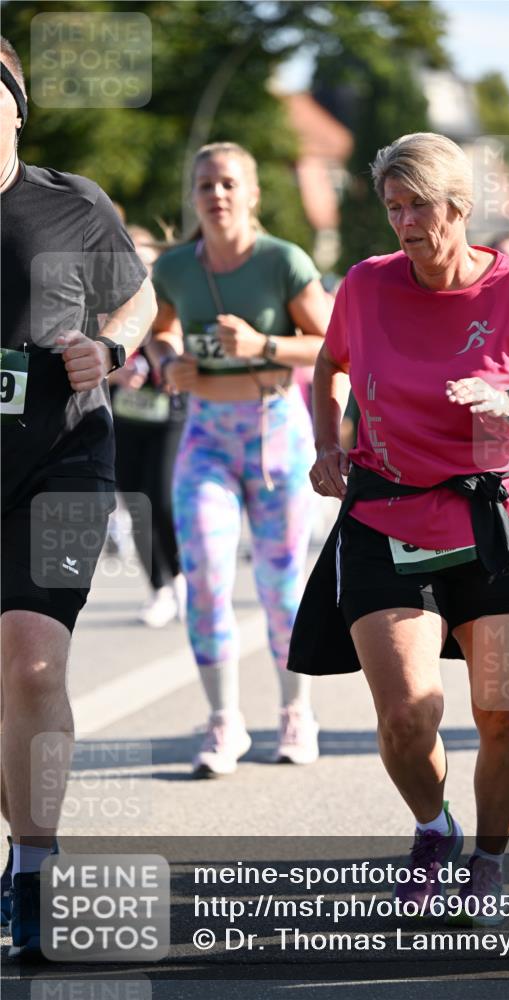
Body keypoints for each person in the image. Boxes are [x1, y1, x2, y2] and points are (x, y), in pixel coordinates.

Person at [289, 132, 509, 924]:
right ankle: (431, 830)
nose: (405, 223)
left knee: (504, 716)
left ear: (458, 206)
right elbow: (328, 363)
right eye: (392, 208)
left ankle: (487, 861)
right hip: (388, 513)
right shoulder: (367, 284)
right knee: (406, 713)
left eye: (418, 206)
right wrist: (325, 445)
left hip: (498, 517)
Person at [0, 37, 156, 957]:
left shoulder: (72, 203)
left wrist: (115, 349)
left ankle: (37, 866)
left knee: (29, 662)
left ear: (18, 104)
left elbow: (136, 299)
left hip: (64, 457)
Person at [149, 142, 332, 777]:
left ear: (252, 194)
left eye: (228, 184)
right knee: (204, 582)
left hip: (275, 434)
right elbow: (160, 326)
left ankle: (295, 713)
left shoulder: (282, 261)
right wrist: (168, 358)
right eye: (205, 186)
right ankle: (224, 723)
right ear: (194, 196)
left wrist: (266, 343)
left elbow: (336, 342)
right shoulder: (174, 267)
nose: (217, 195)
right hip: (204, 438)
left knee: (282, 590)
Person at [110, 225, 186, 627]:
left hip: (168, 414)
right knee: (136, 505)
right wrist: (113, 372)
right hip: (124, 417)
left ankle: (180, 576)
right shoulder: (105, 302)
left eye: (145, 258)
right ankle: (158, 588)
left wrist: (164, 362)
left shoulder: (170, 299)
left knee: (162, 499)